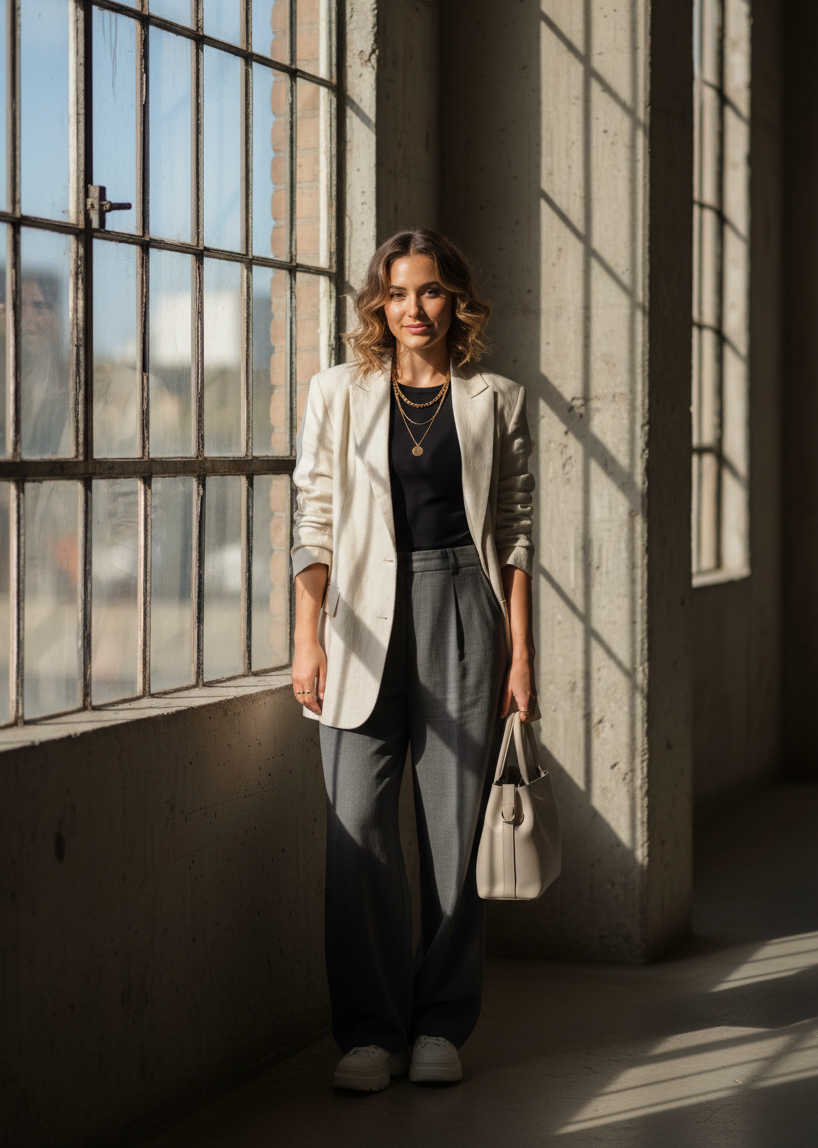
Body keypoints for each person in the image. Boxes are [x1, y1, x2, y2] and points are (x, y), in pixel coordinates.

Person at [291, 228, 537, 1092]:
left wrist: (521, 658)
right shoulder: (338, 394)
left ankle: (439, 1022)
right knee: (354, 824)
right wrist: (306, 635)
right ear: (377, 306)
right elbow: (313, 519)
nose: (414, 309)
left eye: (430, 292)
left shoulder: (495, 399)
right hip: (360, 614)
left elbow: (513, 536)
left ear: (455, 302)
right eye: (397, 294)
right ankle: (369, 1031)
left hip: (462, 608)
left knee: (453, 832)